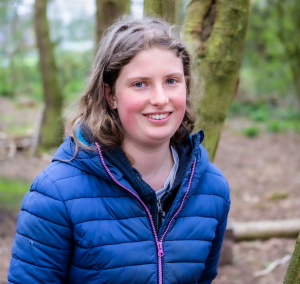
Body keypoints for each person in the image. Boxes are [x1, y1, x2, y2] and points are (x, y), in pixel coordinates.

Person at [7, 16, 230, 284]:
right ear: (110, 95)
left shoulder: (212, 188)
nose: (160, 99)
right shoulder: (55, 194)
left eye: (172, 81)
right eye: (140, 84)